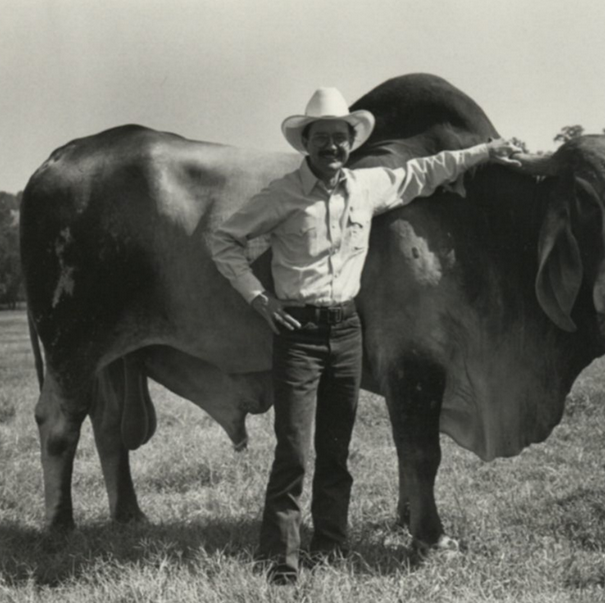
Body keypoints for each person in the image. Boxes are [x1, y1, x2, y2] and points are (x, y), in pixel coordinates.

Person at [210, 87, 524, 584]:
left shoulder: (367, 186)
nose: (331, 146)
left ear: (351, 142)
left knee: (336, 448)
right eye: (321, 138)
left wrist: (486, 150)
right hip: (299, 334)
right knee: (294, 451)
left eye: (340, 137)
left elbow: (426, 171)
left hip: (346, 330)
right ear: (306, 143)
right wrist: (259, 298)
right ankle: (280, 563)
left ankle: (331, 548)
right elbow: (224, 240)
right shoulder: (282, 195)